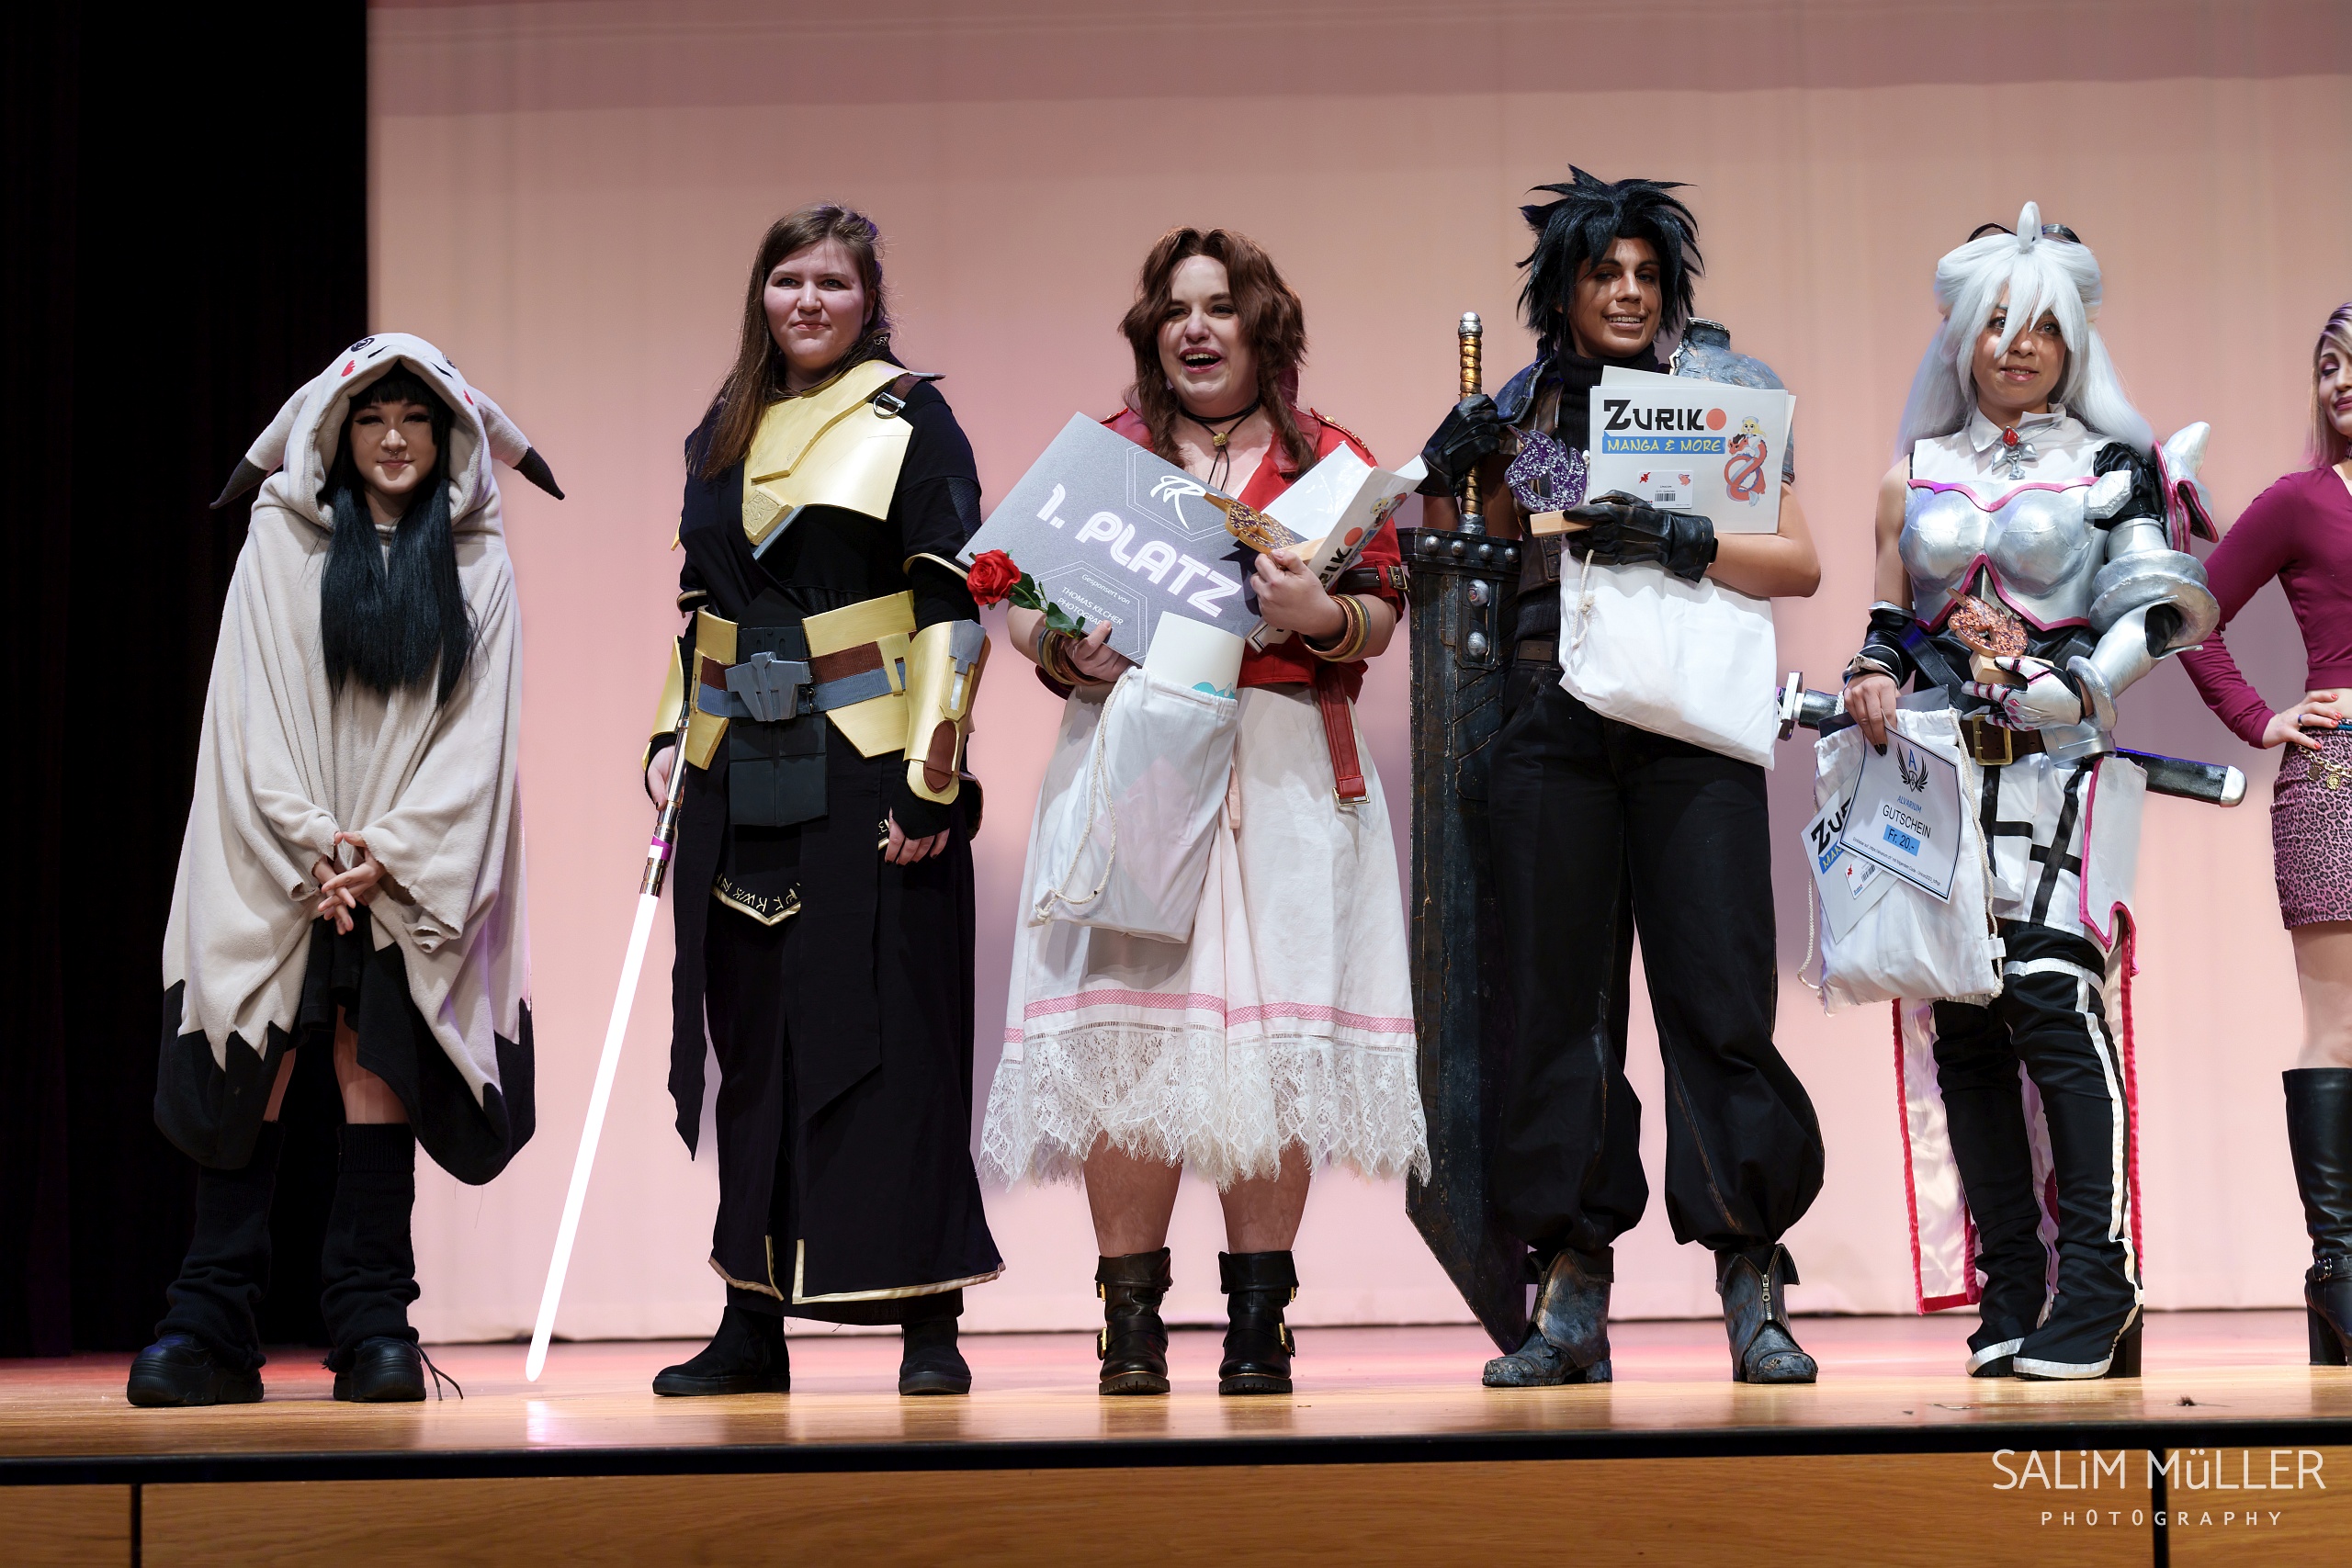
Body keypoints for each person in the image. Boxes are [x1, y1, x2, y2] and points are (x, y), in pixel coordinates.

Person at [981, 227, 1426, 1397]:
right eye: (1177, 310)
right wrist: (1063, 649)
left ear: (1261, 326)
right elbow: (1017, 601)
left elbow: (1381, 615)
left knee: (1270, 1054)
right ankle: (1130, 1328)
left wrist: (1320, 618)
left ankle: (1258, 1324)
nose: (1196, 328)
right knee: (1129, 1046)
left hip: (1284, 773)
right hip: (1137, 762)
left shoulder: (1330, 461)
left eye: (1220, 307)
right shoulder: (1110, 458)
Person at [1415, 167, 1826, 1388]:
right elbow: (1492, 557)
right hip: (1551, 716)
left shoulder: (1722, 389)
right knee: (1559, 1011)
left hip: (1690, 720)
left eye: (1648, 273)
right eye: (1606, 272)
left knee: (1718, 998)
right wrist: (1454, 474)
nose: (1631, 292)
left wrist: (1689, 539)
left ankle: (1751, 1275)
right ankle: (1571, 1287)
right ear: (1565, 289)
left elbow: (1796, 561)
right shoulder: (1524, 406)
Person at [133, 334, 557, 1405]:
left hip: (402, 865)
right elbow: (248, 710)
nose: (394, 438)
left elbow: (478, 737)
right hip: (284, 853)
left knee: (380, 1057)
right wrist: (317, 841)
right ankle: (209, 1321)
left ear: (448, 435)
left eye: (415, 418)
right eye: (371, 418)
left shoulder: (476, 558)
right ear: (335, 431)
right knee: (255, 1053)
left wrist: (390, 855)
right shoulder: (280, 541)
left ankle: (374, 1322)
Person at [1841, 206, 2220, 1380]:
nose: (2016, 345)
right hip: (1939, 771)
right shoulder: (1914, 474)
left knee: (2055, 1006)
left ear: (2071, 343)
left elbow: (2160, 607)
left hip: (2064, 767)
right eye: (1995, 322)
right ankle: (2011, 1287)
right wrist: (1871, 670)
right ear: (1960, 333)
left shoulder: (2112, 467)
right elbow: (1894, 615)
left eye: (2041, 327)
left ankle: (2098, 1284)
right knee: (1963, 1027)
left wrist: (2076, 686)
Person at [643, 204, 1001, 1399]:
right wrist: (668, 735)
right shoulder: (723, 430)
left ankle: (928, 1322)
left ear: (868, 301)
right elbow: (702, 609)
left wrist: (933, 776)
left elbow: (951, 604)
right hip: (738, 764)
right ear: (761, 294)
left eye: (832, 282)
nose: (807, 300)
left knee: (893, 1036)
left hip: (871, 764)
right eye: (788, 278)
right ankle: (751, 1322)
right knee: (755, 1043)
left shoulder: (911, 419)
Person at [2178, 302, 2352, 1366]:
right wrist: (2257, 718)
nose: (2341, 382)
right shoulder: (2299, 502)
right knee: (2340, 1032)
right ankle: (2340, 1274)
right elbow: (2183, 612)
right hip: (2339, 777)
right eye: (2329, 365)